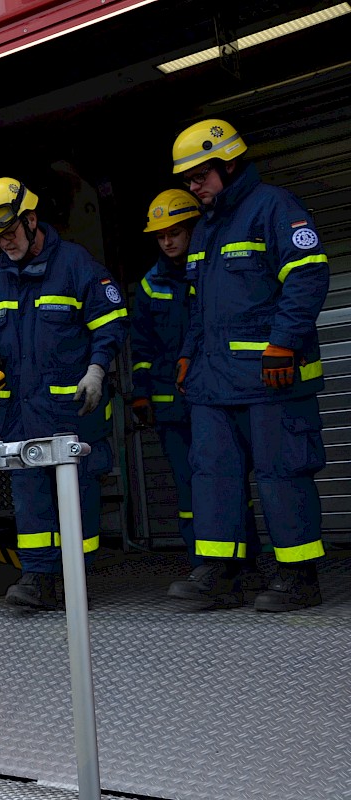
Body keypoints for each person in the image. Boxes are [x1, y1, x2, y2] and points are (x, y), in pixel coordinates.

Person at [169, 119, 329, 612]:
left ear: (229, 163)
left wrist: (283, 343)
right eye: (188, 179)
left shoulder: (274, 208)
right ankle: (222, 573)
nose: (192, 187)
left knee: (282, 475)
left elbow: (307, 277)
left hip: (270, 378)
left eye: (200, 175)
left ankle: (298, 576)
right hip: (214, 383)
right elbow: (201, 306)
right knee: (212, 476)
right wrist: (187, 355)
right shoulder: (207, 230)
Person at [0, 177, 129, 610]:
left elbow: (110, 325)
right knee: (30, 499)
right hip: (20, 414)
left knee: (79, 498)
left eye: (9, 232)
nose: (4, 243)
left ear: (31, 219)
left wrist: (97, 371)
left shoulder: (77, 266)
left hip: (71, 412)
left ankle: (75, 580)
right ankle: (37, 579)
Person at [130, 190, 263, 595]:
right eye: (160, 236)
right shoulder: (151, 285)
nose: (168, 242)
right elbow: (142, 346)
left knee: (232, 482)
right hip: (174, 408)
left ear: (193, 228)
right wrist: (141, 394)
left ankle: (247, 564)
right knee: (190, 491)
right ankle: (205, 567)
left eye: (175, 232)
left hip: (220, 395)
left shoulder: (211, 271)